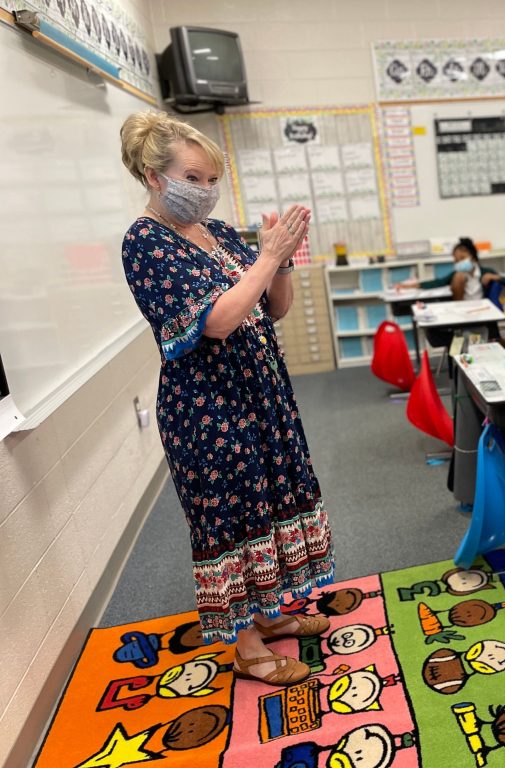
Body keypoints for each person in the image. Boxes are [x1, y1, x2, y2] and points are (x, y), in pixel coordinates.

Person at [119, 111, 334, 686]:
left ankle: (268, 616)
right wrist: (266, 258)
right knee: (231, 523)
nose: (208, 191)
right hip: (209, 413)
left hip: (260, 397)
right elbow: (216, 322)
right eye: (195, 177)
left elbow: (271, 309)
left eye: (215, 179)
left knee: (267, 508)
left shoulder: (219, 234)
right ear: (154, 175)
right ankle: (246, 649)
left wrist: (281, 259)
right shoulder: (145, 243)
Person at [398, 237, 499, 301]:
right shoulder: (457, 274)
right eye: (456, 260)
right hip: (464, 310)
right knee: (458, 277)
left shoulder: (485, 272)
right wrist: (409, 286)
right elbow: (437, 283)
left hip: (483, 310)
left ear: (472, 256)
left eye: (462, 258)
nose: (458, 262)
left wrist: (494, 277)